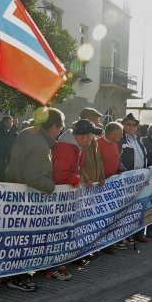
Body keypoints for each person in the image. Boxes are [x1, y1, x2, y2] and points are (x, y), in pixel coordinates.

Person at [4, 107, 65, 292]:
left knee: (14, 239)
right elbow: (33, 177)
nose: (61, 131)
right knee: (23, 240)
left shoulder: (27, 133)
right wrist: (52, 186)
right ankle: (17, 277)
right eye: (60, 127)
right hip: (27, 199)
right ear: (53, 126)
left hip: (15, 193)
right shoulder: (40, 144)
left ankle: (11, 274)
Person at [51, 119, 102, 277]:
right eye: (92, 136)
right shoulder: (66, 148)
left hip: (68, 196)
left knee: (65, 231)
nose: (93, 139)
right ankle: (53, 267)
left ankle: (59, 263)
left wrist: (83, 176)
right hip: (60, 198)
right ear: (84, 137)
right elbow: (60, 175)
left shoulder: (75, 146)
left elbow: (77, 168)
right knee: (58, 232)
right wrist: (78, 179)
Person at [118, 113, 148, 244]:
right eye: (128, 124)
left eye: (134, 124)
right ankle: (122, 237)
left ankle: (134, 234)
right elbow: (117, 159)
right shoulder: (120, 140)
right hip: (127, 178)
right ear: (123, 125)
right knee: (125, 210)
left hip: (140, 178)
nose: (130, 127)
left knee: (137, 208)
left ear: (137, 127)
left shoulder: (139, 140)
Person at [79, 107, 105, 185]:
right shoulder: (78, 137)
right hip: (84, 185)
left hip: (94, 184)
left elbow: (99, 160)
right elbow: (77, 163)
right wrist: (86, 178)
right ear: (85, 120)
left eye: (97, 119)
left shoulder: (94, 138)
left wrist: (101, 177)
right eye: (94, 119)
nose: (97, 122)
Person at [0, 115, 17, 181]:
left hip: (1, 155)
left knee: (2, 173)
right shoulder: (0, 128)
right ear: (5, 123)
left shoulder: (2, 127)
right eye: (10, 123)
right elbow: (7, 136)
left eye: (12, 123)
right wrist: (14, 127)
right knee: (0, 174)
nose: (11, 125)